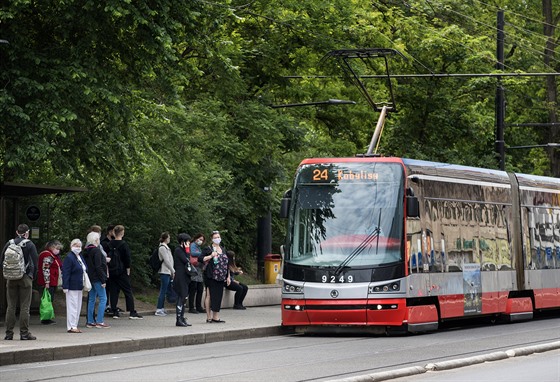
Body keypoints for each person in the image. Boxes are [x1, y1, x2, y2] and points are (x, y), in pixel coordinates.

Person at [2, 224, 39, 340]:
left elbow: (2, 260)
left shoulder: (9, 243)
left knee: (11, 306)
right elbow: (35, 263)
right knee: (24, 307)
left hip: (11, 278)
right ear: (27, 233)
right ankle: (24, 333)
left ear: (17, 232)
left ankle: (8, 334)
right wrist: (32, 276)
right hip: (25, 278)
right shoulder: (30, 244)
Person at [107, 225, 143, 319]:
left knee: (113, 291)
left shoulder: (109, 244)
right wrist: (128, 269)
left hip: (112, 270)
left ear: (114, 232)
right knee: (127, 290)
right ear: (122, 233)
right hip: (121, 270)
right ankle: (132, 311)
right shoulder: (123, 244)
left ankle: (114, 311)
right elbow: (127, 258)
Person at [199, 230, 230, 323]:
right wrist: (210, 256)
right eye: (215, 237)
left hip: (221, 276)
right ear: (212, 239)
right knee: (209, 295)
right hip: (210, 275)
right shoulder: (208, 249)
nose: (217, 239)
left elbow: (227, 264)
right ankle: (209, 317)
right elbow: (200, 259)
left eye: (218, 237)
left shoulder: (223, 249)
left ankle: (216, 316)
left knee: (218, 295)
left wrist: (228, 276)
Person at [83, 231, 111, 328]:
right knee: (103, 298)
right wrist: (103, 279)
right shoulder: (97, 251)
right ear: (96, 240)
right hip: (98, 278)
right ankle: (99, 320)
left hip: (90, 277)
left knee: (91, 299)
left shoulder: (86, 251)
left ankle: (90, 321)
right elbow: (98, 266)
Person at [62, 239, 86, 333]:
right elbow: (66, 272)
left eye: (79, 246)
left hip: (79, 285)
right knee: (72, 306)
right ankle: (71, 326)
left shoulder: (79, 257)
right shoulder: (69, 257)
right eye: (76, 245)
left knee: (78, 306)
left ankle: (74, 324)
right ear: (71, 246)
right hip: (71, 286)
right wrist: (65, 286)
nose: (78, 247)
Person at [37, 240, 63, 324]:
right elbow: (46, 269)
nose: (58, 250)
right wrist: (47, 282)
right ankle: (45, 319)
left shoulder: (50, 255)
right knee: (47, 300)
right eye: (57, 248)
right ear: (51, 247)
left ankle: (47, 317)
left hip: (51, 281)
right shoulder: (47, 255)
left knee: (48, 300)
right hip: (48, 282)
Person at [173, 233, 193, 327]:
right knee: (181, 296)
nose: (189, 243)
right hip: (180, 276)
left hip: (185, 276)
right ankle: (178, 318)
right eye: (188, 241)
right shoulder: (178, 250)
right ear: (183, 242)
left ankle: (182, 317)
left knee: (184, 297)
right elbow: (187, 261)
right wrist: (188, 250)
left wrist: (187, 250)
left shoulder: (183, 250)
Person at [155, 232, 175, 317]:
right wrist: (172, 270)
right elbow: (166, 260)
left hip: (167, 271)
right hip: (164, 271)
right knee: (163, 290)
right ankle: (159, 308)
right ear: (166, 238)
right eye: (169, 238)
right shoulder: (162, 248)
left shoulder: (166, 247)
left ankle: (162, 308)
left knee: (165, 289)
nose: (169, 239)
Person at [188, 233, 206, 314]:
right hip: (194, 269)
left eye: (202, 240)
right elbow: (192, 253)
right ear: (196, 238)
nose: (201, 241)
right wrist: (202, 254)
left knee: (200, 289)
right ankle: (191, 307)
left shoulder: (198, 247)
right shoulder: (193, 245)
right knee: (193, 288)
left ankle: (199, 306)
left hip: (199, 269)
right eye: (200, 239)